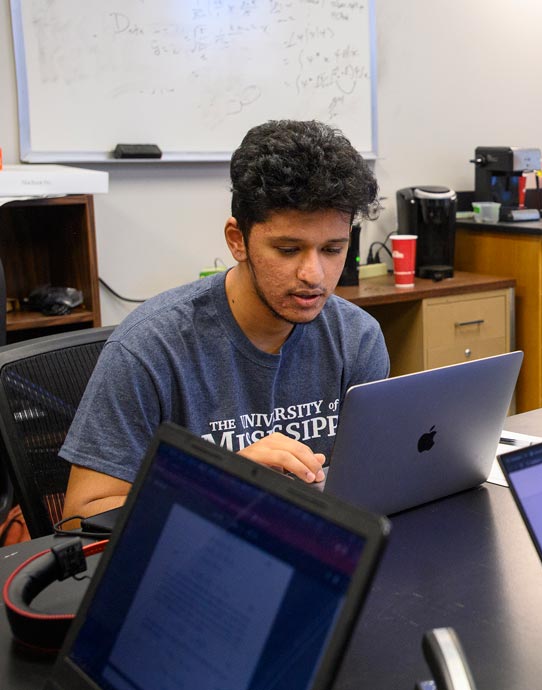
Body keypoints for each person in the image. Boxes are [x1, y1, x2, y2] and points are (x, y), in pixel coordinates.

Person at [61, 120, 389, 519]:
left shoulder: (357, 338)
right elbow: (83, 515)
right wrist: (220, 484)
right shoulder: (150, 347)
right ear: (237, 241)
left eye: (333, 249)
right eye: (287, 250)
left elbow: (371, 482)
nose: (314, 275)